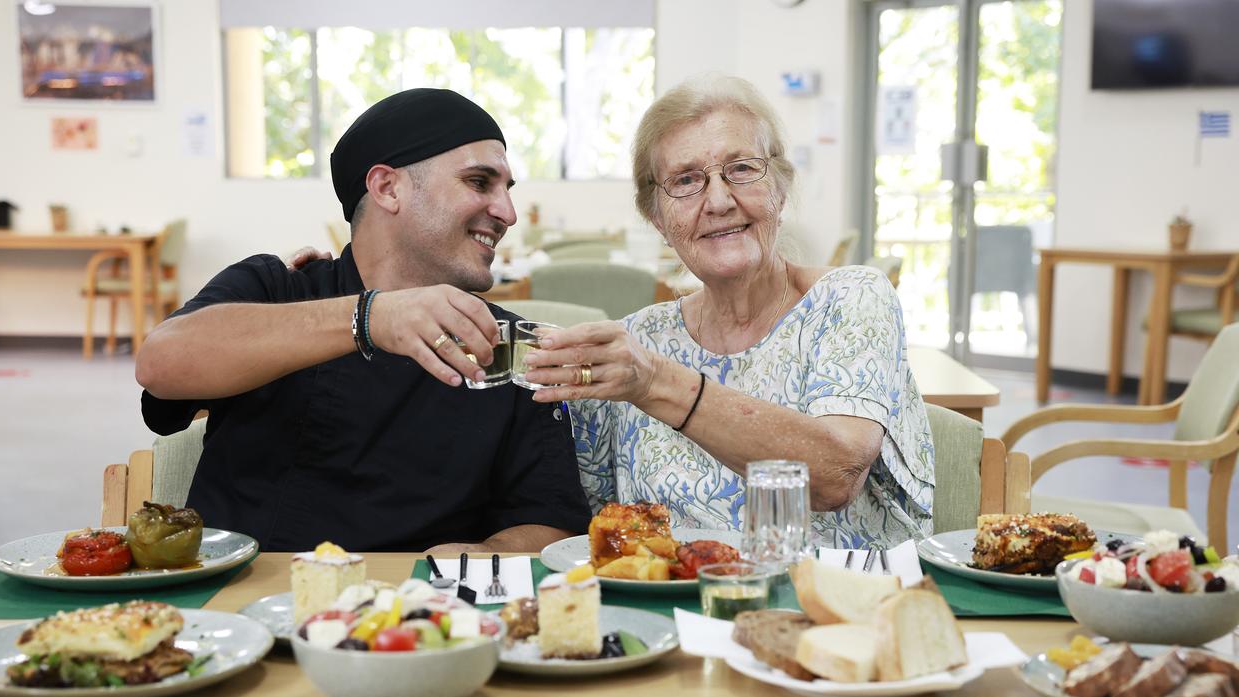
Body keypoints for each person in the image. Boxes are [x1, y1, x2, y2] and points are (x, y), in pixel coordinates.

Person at [135, 88, 592, 554]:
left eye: (506, 191)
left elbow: (550, 521)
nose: (508, 213)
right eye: (479, 182)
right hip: (245, 605)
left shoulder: (504, 343)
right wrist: (369, 318)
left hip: (419, 613)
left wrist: (482, 554)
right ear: (388, 188)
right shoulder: (278, 289)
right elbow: (160, 363)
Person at [522, 77, 934, 549]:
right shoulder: (639, 340)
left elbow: (835, 475)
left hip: (839, 610)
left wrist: (657, 383)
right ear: (657, 219)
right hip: (672, 612)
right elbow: (589, 523)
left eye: (740, 169)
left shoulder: (849, 298)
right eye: (686, 181)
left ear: (779, 190)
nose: (718, 201)